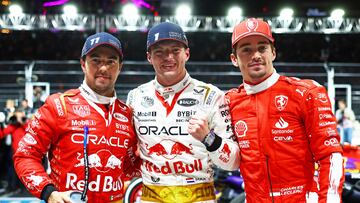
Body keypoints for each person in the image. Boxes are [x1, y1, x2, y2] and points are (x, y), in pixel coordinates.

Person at [226, 18, 344, 203]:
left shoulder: (306, 93)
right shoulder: (229, 102)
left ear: (273, 53)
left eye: (262, 48)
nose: (255, 55)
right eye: (246, 49)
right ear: (234, 59)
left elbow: (330, 155)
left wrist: (330, 200)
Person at [13, 32, 140, 203]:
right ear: (83, 64)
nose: (103, 68)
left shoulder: (128, 114)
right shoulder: (59, 105)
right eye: (96, 60)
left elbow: (130, 167)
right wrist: (48, 192)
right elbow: (25, 155)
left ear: (120, 67)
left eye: (111, 61)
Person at [126, 22, 240, 203]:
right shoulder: (135, 97)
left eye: (175, 50)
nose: (168, 57)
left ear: (186, 54)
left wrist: (208, 139)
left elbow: (232, 162)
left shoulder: (211, 95)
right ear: (149, 57)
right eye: (159, 52)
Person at [0, 110, 28, 194]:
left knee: (25, 171)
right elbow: (2, 134)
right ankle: (14, 187)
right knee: (14, 171)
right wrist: (2, 124)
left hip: (26, 153)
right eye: (17, 116)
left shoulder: (27, 124)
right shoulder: (13, 126)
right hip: (15, 153)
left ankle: (25, 189)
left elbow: (30, 130)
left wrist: (22, 122)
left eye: (20, 116)